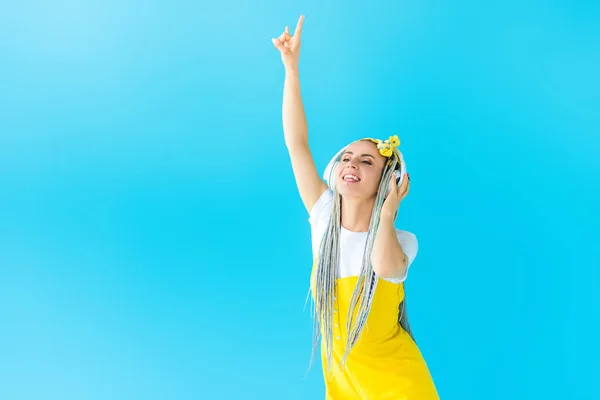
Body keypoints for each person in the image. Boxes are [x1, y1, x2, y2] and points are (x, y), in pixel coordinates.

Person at [272, 15, 439, 399]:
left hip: (399, 386)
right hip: (345, 387)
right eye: (347, 157)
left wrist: (387, 213)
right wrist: (291, 70)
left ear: (387, 182)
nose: (352, 165)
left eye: (367, 161)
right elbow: (296, 144)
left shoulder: (401, 241)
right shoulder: (323, 216)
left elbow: (384, 267)